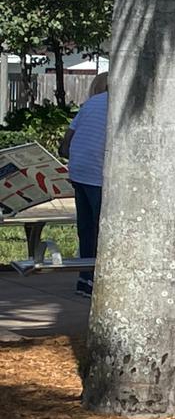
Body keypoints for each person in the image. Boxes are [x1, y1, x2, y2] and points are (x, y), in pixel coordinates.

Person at [61, 72, 109, 297]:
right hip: (98, 174)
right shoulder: (119, 105)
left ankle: (84, 279)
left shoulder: (90, 104)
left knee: (86, 228)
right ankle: (99, 281)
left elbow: (67, 140)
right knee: (102, 230)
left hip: (79, 169)